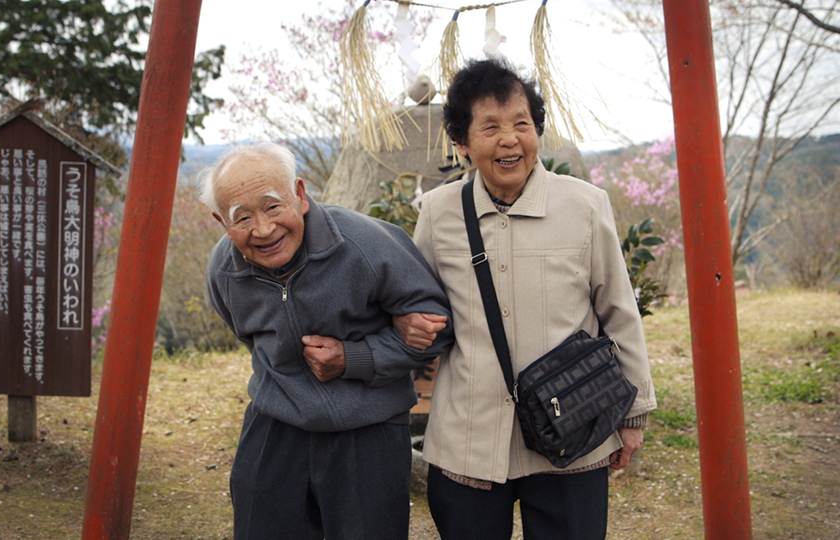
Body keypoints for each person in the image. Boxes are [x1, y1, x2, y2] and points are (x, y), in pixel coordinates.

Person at [395, 58, 658, 539]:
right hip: (468, 441)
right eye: (490, 126)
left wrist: (633, 414)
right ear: (461, 143)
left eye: (522, 123)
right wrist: (407, 326)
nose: (510, 139)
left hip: (572, 434)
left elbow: (619, 312)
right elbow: (418, 305)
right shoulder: (438, 213)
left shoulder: (584, 205)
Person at [200, 141, 453, 540]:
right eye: (242, 217)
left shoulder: (364, 243)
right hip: (275, 424)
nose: (263, 229)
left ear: (299, 195)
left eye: (272, 206)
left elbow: (439, 327)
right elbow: (247, 337)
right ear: (222, 222)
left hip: (369, 427)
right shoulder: (224, 270)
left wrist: (356, 357)